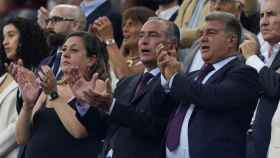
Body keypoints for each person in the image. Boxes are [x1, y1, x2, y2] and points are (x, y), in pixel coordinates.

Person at [68, 17, 180, 158]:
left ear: (172, 45)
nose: (144, 41)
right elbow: (103, 130)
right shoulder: (126, 82)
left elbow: (155, 126)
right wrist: (85, 104)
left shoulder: (173, 82)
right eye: (141, 35)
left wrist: (112, 106)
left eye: (153, 35)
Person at [157, 11, 259, 158]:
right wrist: (166, 74)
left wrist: (174, 78)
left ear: (231, 40)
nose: (202, 39)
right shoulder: (193, 76)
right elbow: (167, 106)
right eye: (202, 34)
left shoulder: (243, 73)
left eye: (211, 33)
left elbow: (214, 97)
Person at [14, 31, 109, 158]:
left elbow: (79, 131)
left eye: (74, 50)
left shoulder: (97, 85)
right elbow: (21, 138)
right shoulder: (51, 86)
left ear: (91, 60)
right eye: (63, 50)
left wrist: (54, 95)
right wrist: (27, 104)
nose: (65, 54)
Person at [0, 17, 48, 158]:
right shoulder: (3, 77)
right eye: (3, 37)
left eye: (11, 35)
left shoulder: (35, 77)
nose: (5, 42)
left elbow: (18, 125)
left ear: (25, 38)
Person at [239, 0, 280, 157]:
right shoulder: (261, 52)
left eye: (270, 15)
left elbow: (275, 87)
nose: (263, 22)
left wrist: (251, 57)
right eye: (261, 15)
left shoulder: (253, 55)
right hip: (247, 142)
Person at [92, 7, 155, 80]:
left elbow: (124, 76)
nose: (125, 29)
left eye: (131, 24)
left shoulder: (150, 61)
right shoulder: (118, 56)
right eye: (124, 25)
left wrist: (109, 39)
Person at [38, 4, 86, 79]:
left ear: (75, 25)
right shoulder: (44, 63)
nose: (48, 27)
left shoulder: (84, 62)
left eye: (55, 20)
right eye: (48, 21)